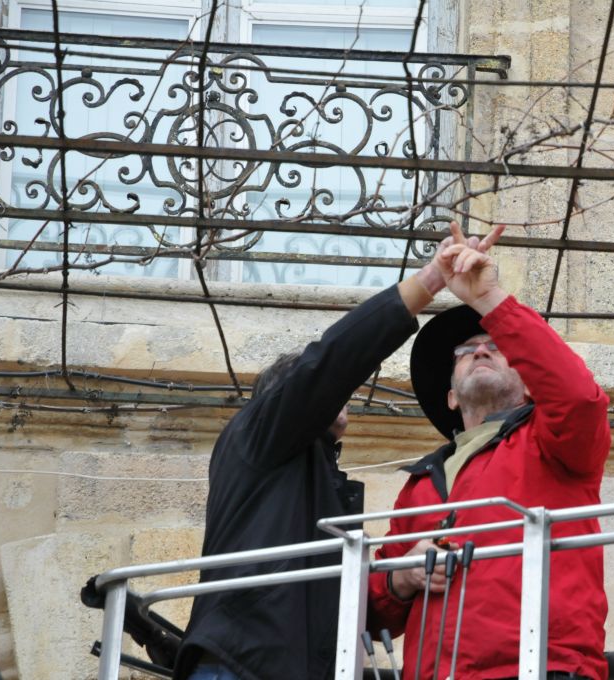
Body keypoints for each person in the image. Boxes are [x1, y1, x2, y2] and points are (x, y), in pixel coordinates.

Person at [173, 230, 500, 680]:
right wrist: (430, 281)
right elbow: (329, 361)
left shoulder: (308, 470)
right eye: (326, 392)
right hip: (243, 663)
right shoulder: (261, 433)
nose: (340, 394)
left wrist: (402, 579)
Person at [367, 223, 612, 680]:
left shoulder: (553, 441)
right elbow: (375, 611)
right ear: (452, 398)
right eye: (466, 350)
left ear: (527, 385)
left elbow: (579, 397)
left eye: (497, 347)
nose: (481, 351)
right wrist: (403, 578)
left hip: (540, 669)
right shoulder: (419, 484)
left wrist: (489, 299)